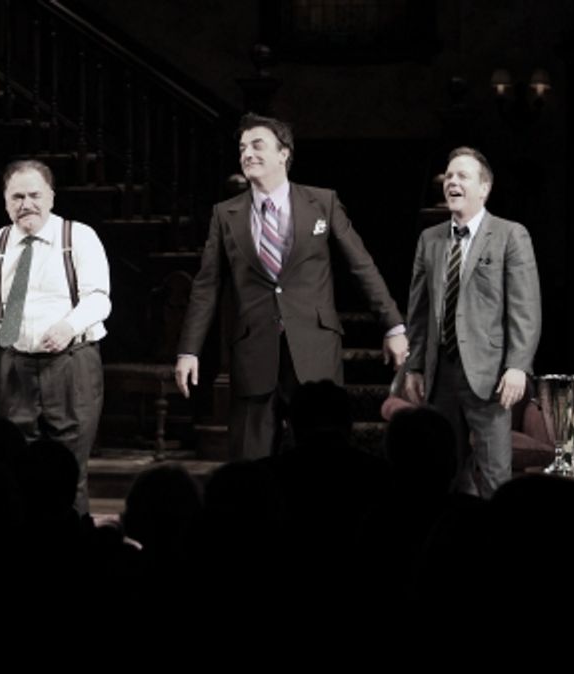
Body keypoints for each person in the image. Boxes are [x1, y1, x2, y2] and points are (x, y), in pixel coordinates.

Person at [175, 113, 408, 460]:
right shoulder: (226, 214)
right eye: (242, 148)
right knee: (251, 466)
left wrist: (393, 325)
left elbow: (361, 266)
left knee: (321, 462)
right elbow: (206, 286)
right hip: (254, 351)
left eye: (257, 145)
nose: (247, 154)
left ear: (284, 153)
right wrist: (189, 350)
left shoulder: (322, 202)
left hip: (315, 349)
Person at [0, 159, 111, 516]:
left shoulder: (78, 238)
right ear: (5, 201)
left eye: (35, 195)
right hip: (15, 367)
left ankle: (72, 541)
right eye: (17, 197)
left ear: (51, 197)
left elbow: (99, 298)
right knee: (15, 469)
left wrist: (69, 326)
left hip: (71, 365)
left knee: (69, 472)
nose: (26, 204)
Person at [403, 147, 541, 498]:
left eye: (462, 176)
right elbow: (418, 312)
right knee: (443, 471)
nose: (452, 181)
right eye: (449, 176)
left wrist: (518, 366)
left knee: (495, 476)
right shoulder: (430, 239)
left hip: (490, 374)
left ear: (484, 188)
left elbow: (525, 308)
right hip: (440, 373)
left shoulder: (510, 235)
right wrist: (414, 366)